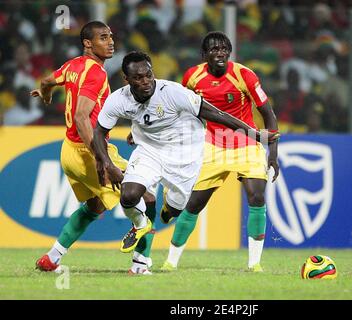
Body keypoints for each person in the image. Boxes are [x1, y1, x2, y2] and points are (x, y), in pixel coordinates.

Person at [91, 51, 279, 274]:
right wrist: (107, 164)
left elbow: (216, 113)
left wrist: (253, 134)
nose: (145, 81)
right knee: (129, 195)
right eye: (138, 78)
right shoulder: (118, 100)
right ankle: (141, 226)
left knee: (177, 210)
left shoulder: (172, 92)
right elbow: (99, 131)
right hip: (149, 151)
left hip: (183, 156)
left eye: (148, 75)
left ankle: (169, 206)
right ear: (127, 79)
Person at [30, 21, 153, 274]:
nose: (110, 42)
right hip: (89, 152)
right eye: (103, 38)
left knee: (95, 206)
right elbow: (81, 117)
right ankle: (141, 265)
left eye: (111, 37)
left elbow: (46, 81)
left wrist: (45, 94)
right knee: (146, 194)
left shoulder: (73, 65)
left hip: (68, 152)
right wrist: (102, 159)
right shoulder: (95, 73)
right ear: (88, 43)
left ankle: (51, 258)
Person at [161, 31, 279, 273]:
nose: (220, 52)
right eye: (214, 49)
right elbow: (182, 110)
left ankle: (254, 264)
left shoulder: (244, 75)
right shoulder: (192, 77)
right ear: (204, 55)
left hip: (247, 145)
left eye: (224, 48)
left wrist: (273, 156)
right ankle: (170, 262)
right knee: (193, 204)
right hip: (212, 146)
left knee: (257, 197)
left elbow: (269, 115)